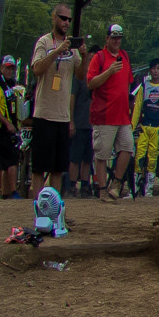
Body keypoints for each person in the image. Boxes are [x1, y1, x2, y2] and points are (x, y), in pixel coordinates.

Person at [28, 2, 79, 201]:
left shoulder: (72, 46)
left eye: (69, 19)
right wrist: (57, 51)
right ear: (54, 18)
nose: (66, 22)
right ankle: (38, 206)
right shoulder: (44, 42)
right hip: (44, 114)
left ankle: (55, 209)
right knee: (39, 167)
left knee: (58, 168)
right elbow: (37, 69)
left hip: (62, 116)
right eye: (63, 18)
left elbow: (81, 74)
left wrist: (83, 55)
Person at [86, 22, 135, 199]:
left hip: (122, 115)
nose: (116, 41)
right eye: (114, 38)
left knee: (128, 147)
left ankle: (116, 183)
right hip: (104, 114)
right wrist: (109, 71)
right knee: (102, 154)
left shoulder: (124, 56)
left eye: (119, 38)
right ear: (107, 39)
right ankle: (101, 190)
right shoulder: (99, 58)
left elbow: (128, 82)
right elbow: (90, 83)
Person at [132, 58, 159, 196]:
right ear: (150, 70)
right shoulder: (144, 86)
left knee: (152, 159)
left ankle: (148, 189)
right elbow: (137, 107)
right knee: (139, 156)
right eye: (153, 68)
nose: (155, 71)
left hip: (157, 128)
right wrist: (133, 126)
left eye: (158, 68)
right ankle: (135, 189)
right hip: (144, 126)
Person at [0, 54, 25, 199]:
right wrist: (6, 122)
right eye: (7, 68)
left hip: (13, 125)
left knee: (8, 160)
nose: (10, 71)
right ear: (1, 68)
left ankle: (6, 193)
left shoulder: (12, 84)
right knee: (11, 158)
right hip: (1, 127)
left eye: (12, 68)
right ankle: (13, 191)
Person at [67, 33, 93, 196]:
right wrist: (71, 121)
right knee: (75, 157)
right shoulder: (79, 77)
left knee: (87, 158)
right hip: (79, 122)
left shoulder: (97, 77)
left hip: (92, 124)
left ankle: (85, 184)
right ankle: (71, 185)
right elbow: (72, 97)